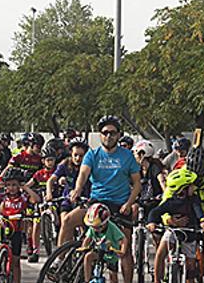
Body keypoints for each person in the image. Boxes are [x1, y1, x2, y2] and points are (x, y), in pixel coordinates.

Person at [64, 115, 141, 283]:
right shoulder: (92, 154)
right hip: (97, 202)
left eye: (112, 133)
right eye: (105, 132)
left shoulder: (127, 156)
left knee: (125, 248)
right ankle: (62, 262)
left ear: (119, 135)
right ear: (99, 135)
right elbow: (83, 173)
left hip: (120, 205)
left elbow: (137, 184)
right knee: (68, 220)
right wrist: (77, 189)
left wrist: (129, 203)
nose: (108, 136)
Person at [146, 169, 204, 283]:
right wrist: (151, 222)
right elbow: (155, 211)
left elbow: (198, 210)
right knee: (160, 252)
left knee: (190, 265)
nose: (194, 187)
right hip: (173, 231)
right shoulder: (171, 202)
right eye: (190, 186)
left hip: (189, 233)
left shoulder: (193, 199)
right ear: (182, 189)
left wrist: (203, 220)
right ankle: (156, 280)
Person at [0, 167, 39, 283]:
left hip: (17, 230)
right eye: (8, 185)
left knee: (15, 261)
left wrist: (25, 188)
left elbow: (36, 199)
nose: (11, 188)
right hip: (3, 228)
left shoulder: (23, 197)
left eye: (14, 185)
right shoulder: (3, 196)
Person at [81, 203, 127, 283]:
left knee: (113, 275)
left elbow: (123, 239)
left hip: (111, 255)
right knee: (88, 257)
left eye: (98, 227)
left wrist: (122, 251)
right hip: (99, 251)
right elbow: (88, 238)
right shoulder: (93, 228)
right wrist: (84, 247)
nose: (95, 229)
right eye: (93, 227)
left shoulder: (112, 227)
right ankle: (87, 279)